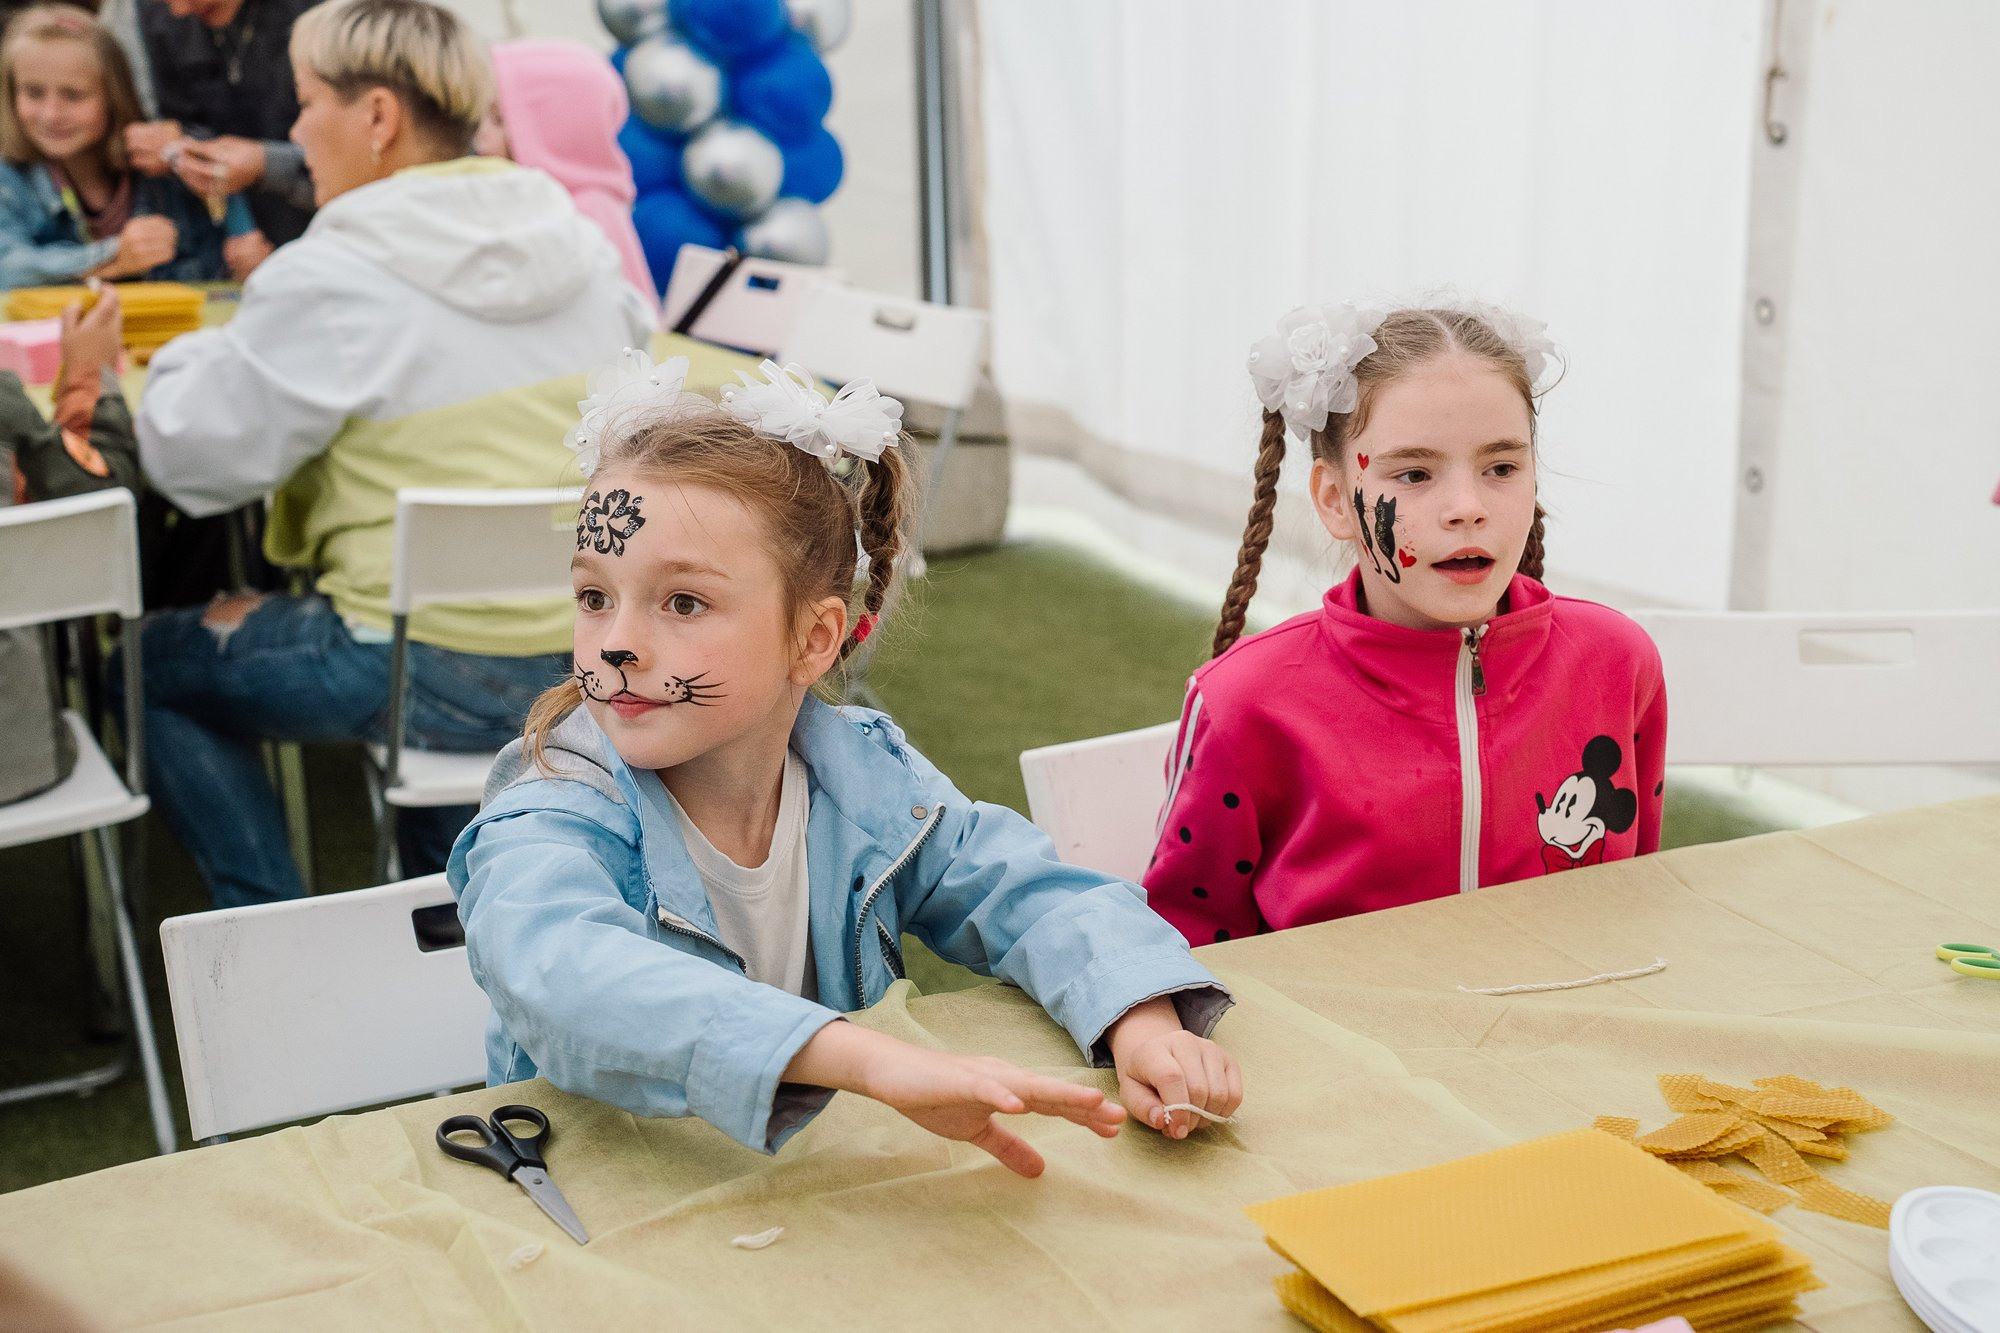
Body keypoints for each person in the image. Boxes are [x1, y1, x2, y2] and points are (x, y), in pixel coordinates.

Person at [449, 352, 1243, 1174]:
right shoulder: (555, 807)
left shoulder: (868, 779)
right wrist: (862, 1057)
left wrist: (1140, 1016)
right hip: (615, 1194)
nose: (614, 641)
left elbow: (1023, 891)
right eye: (594, 597)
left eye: (683, 602)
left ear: (814, 638)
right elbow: (562, 972)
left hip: (813, 1182)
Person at [125, 0, 655, 908]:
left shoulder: (330, 277)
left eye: (304, 103)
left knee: (146, 666)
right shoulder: (580, 245)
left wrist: (172, 358)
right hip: (596, 651)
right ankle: (464, 898)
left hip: (421, 664)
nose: (293, 131)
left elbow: (191, 461)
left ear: (377, 117)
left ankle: (273, 933)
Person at [1144, 302, 1667, 946]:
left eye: (1501, 468)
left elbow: (1631, 900)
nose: (1467, 508)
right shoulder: (1242, 703)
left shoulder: (1618, 662)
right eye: (1414, 473)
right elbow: (1181, 943)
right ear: (1335, 499)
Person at [0, 3, 253, 288]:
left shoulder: (162, 169)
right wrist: (113, 256)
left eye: (73, 95)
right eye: (34, 93)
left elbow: (224, 184)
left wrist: (244, 236)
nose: (51, 114)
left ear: (113, 95)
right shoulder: (9, 179)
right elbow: (8, 268)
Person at [126, 0, 323, 256]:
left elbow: (359, 159)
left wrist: (263, 163)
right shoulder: (159, 17)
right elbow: (188, 125)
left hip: (327, 232)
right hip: (237, 240)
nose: (178, 11)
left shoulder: (322, 16)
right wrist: (180, 144)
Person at [478, 39, 655, 302]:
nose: (482, 137)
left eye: (499, 120)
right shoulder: (558, 204)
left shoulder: (582, 216)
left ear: (557, 133)